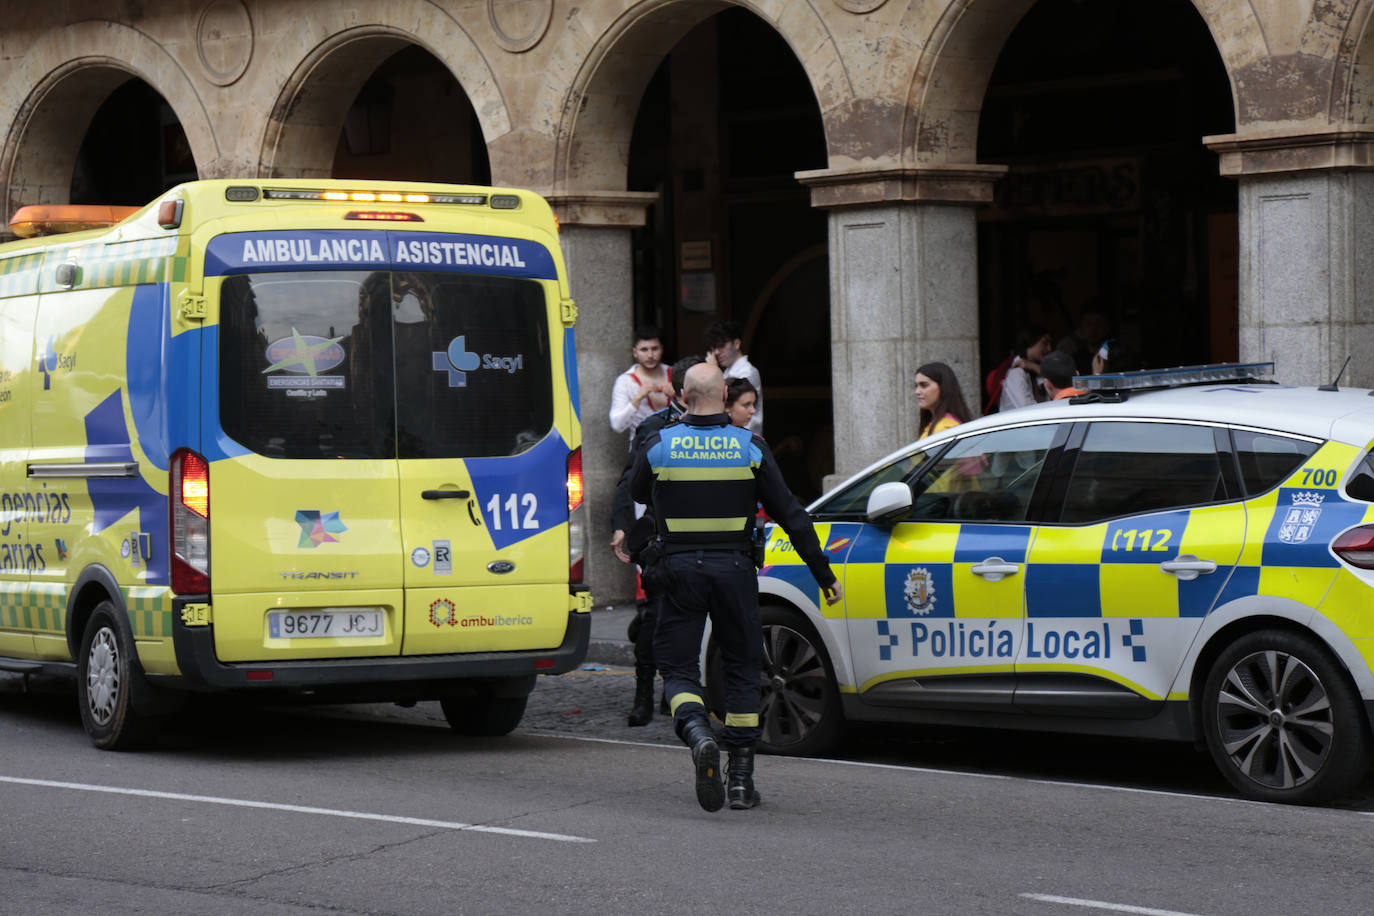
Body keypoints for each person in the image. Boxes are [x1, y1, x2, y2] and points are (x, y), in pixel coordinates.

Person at [630, 363, 841, 812]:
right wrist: (823, 575)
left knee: (680, 670)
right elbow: (792, 515)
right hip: (735, 571)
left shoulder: (660, 445)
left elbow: (638, 491)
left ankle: (698, 732)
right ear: (724, 393)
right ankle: (741, 781)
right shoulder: (751, 447)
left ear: (684, 396)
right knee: (744, 667)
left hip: (680, 571)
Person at [610, 355, 704, 727]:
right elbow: (628, 480)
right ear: (683, 391)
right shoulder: (653, 427)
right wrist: (622, 526)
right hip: (660, 540)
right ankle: (644, 692)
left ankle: (680, 692)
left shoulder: (722, 427)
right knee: (652, 618)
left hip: (705, 541)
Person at [609, 325, 673, 440]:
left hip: (674, 446)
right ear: (635, 352)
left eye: (655, 349)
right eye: (644, 350)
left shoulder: (674, 373)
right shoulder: (625, 381)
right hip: (641, 447)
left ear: (662, 349)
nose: (650, 355)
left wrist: (678, 396)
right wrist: (638, 398)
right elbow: (617, 425)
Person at [704, 319, 763, 435]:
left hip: (745, 435)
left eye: (721, 346)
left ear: (736, 344)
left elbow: (721, 402)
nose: (716, 352)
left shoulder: (747, 372)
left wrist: (713, 373)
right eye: (713, 348)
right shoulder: (727, 371)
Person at [914, 361, 973, 440]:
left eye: (924, 385)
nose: (917, 392)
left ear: (943, 387)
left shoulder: (944, 428)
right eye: (916, 386)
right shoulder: (940, 424)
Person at [999, 326, 1052, 411]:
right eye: (1045, 343)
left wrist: (1035, 368)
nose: (1049, 348)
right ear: (1031, 341)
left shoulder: (1036, 369)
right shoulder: (1016, 372)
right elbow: (1028, 409)